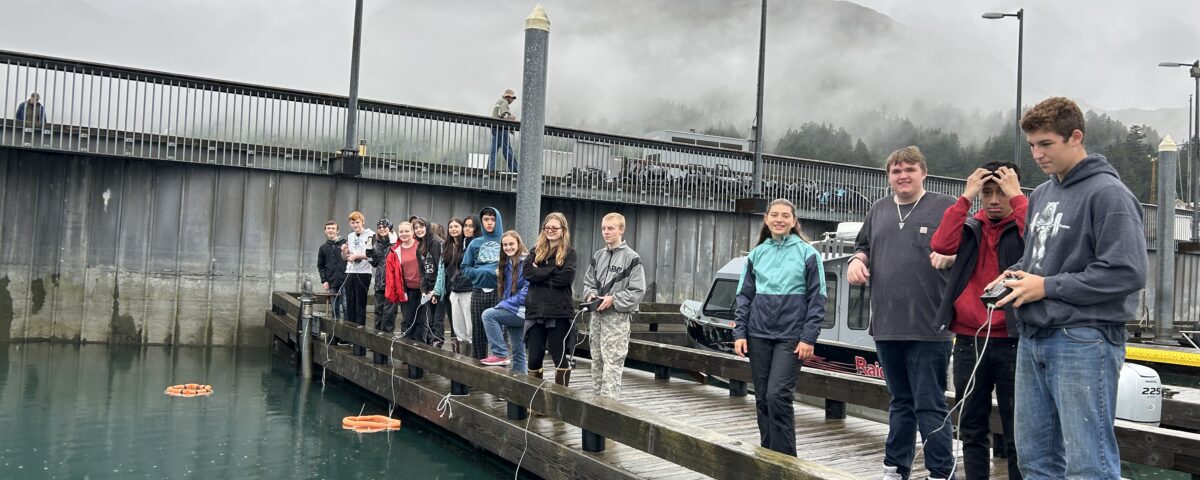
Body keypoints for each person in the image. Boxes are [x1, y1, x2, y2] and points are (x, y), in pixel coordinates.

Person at [990, 97, 1148, 480]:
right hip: (1033, 338)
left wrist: (1046, 286)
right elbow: (1040, 260)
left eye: (1046, 144)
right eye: (1031, 145)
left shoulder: (1109, 194)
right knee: (1034, 461)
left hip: (1084, 341)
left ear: (1076, 136)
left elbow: (1127, 272)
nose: (1037, 154)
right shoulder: (1042, 194)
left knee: (1088, 464)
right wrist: (1012, 274)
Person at [847, 146, 957, 480]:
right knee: (899, 401)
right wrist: (857, 260)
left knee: (930, 402)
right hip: (886, 325)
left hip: (929, 327)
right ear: (889, 177)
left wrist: (952, 257)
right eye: (896, 171)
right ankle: (896, 467)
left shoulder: (945, 206)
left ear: (924, 172)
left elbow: (967, 242)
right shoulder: (879, 209)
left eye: (909, 169)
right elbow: (863, 246)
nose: (903, 176)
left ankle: (941, 471)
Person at [930, 162, 1027, 480]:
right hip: (970, 339)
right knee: (971, 426)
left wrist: (1018, 197)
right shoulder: (971, 226)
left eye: (1001, 192)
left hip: (1014, 340)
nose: (994, 200)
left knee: (1018, 429)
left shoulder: (1024, 224)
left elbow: (1043, 242)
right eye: (987, 193)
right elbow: (942, 244)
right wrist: (965, 196)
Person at [730, 199, 826, 456]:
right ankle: (768, 457)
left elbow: (817, 299)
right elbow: (744, 296)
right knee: (762, 399)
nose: (779, 220)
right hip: (758, 334)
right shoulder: (757, 254)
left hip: (791, 337)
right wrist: (740, 332)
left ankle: (785, 461)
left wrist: (808, 337)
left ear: (794, 221)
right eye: (775, 215)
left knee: (777, 396)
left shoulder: (808, 254)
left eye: (785, 216)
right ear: (766, 219)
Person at [581, 212, 646, 399]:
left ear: (621, 230)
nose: (606, 232)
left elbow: (638, 291)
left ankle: (609, 409)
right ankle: (596, 403)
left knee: (613, 363)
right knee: (597, 361)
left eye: (610, 228)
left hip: (616, 319)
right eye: (603, 228)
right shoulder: (598, 256)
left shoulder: (632, 258)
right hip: (596, 318)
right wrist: (591, 294)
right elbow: (588, 282)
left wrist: (614, 299)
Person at [523, 212, 578, 385]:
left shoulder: (570, 253)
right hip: (535, 312)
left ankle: (560, 401)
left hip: (558, 312)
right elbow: (528, 273)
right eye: (547, 227)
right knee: (534, 358)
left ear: (563, 230)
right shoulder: (534, 251)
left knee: (558, 356)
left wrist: (540, 272)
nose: (551, 230)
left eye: (555, 228)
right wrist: (553, 270)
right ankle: (535, 401)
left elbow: (566, 279)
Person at [480, 231, 531, 373]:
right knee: (518, 350)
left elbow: (527, 293)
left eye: (511, 244)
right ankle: (520, 386)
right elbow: (508, 290)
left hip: (522, 310)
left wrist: (504, 304)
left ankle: (500, 353)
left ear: (519, 244)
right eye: (505, 245)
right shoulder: (507, 263)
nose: (508, 247)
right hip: (513, 308)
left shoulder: (527, 263)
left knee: (488, 315)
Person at [462, 207, 504, 359]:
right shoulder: (475, 243)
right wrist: (479, 273)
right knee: (478, 331)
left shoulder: (505, 240)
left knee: (499, 330)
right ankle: (477, 368)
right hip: (478, 290)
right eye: (486, 219)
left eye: (493, 219)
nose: (490, 223)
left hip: (499, 291)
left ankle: (500, 364)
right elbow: (465, 267)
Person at [434, 217, 475, 353]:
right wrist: (438, 290)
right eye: (451, 227)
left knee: (468, 326)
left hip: (464, 289)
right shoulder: (446, 246)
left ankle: (468, 356)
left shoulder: (466, 245)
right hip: (449, 290)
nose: (453, 229)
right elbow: (441, 270)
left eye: (457, 226)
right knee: (454, 325)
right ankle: (457, 354)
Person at [385, 222, 428, 342]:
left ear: (413, 232)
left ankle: (419, 351)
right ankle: (407, 352)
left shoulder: (421, 246)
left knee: (421, 321)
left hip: (423, 290)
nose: (404, 234)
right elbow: (391, 274)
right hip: (406, 290)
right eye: (401, 231)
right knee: (407, 321)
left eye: (407, 231)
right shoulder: (395, 250)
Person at [342, 211, 375, 355]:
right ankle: (350, 336)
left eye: (357, 222)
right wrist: (345, 251)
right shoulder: (349, 236)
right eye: (352, 222)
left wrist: (357, 255)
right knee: (349, 304)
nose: (355, 225)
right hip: (350, 271)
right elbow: (345, 257)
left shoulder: (371, 234)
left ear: (362, 221)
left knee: (359, 305)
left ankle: (360, 338)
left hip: (363, 273)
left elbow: (372, 255)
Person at [412, 217, 444, 346]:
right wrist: (424, 291)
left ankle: (437, 345)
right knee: (429, 319)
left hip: (439, 286)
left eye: (421, 226)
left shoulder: (436, 242)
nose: (419, 230)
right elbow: (422, 271)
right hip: (428, 286)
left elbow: (440, 269)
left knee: (438, 320)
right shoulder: (420, 246)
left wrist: (435, 291)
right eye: (416, 228)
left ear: (427, 226)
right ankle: (431, 344)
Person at [368, 219, 397, 334]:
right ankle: (377, 340)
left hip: (391, 283)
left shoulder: (396, 242)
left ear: (390, 228)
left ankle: (387, 339)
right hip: (379, 283)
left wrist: (394, 244)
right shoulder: (376, 243)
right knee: (378, 312)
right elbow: (374, 263)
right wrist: (369, 252)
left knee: (389, 313)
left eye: (384, 227)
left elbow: (398, 259)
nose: (382, 229)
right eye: (379, 227)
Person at [317, 221, 347, 322]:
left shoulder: (346, 244)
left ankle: (346, 335)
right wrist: (324, 280)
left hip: (345, 281)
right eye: (328, 228)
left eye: (333, 228)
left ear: (337, 230)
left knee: (346, 308)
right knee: (335, 309)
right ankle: (335, 335)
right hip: (332, 282)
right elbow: (321, 266)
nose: (331, 230)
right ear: (325, 231)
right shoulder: (323, 248)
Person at [488, 89, 518, 172]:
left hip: (495, 127)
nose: (512, 100)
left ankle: (490, 168)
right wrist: (512, 119)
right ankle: (515, 169)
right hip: (501, 128)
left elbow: (497, 115)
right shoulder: (504, 102)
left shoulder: (499, 101)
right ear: (508, 97)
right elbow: (503, 115)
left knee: (494, 149)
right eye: (512, 98)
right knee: (507, 149)